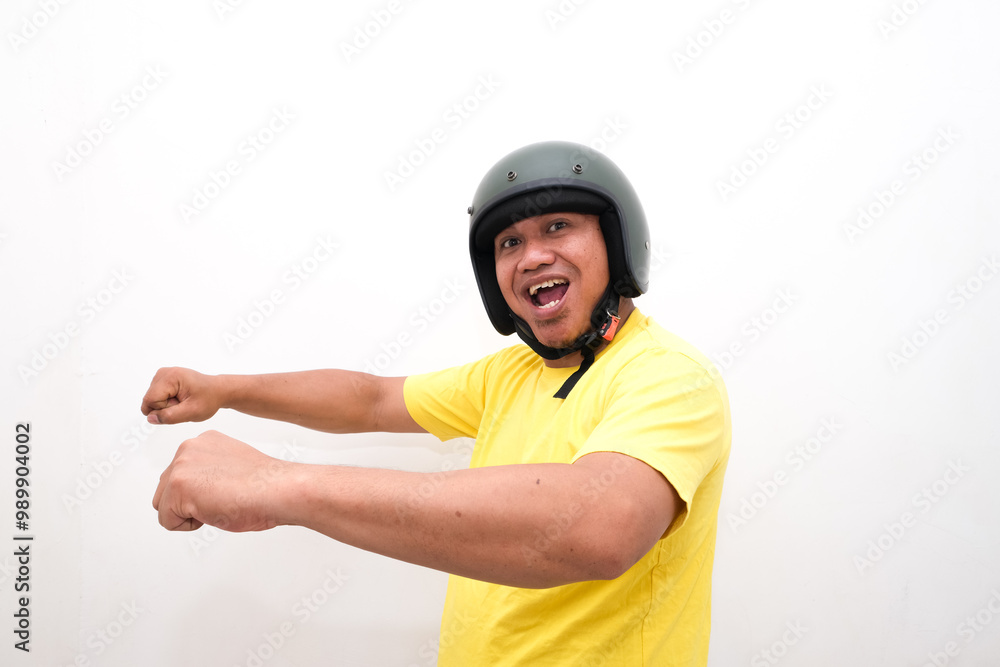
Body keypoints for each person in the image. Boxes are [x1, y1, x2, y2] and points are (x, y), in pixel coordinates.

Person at [142, 141, 731, 666]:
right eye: (510, 242)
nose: (531, 257)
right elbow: (371, 401)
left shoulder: (670, 375)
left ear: (617, 243)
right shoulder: (510, 375)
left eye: (558, 226)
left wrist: (277, 483)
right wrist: (223, 390)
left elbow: (600, 527)